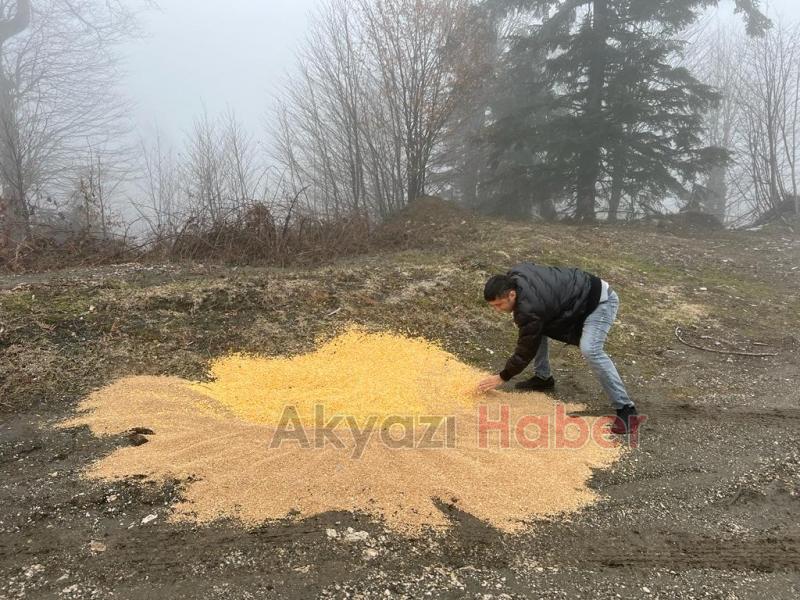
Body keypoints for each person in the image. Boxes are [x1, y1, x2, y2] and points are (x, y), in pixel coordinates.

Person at [476, 262, 640, 435]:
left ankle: (626, 410)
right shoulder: (515, 277)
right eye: (492, 306)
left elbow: (526, 348)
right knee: (535, 329)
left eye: (499, 305)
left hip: (600, 302)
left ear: (511, 294)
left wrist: (503, 376)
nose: (496, 310)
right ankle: (543, 378)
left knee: (590, 350)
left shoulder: (530, 307)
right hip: (575, 300)